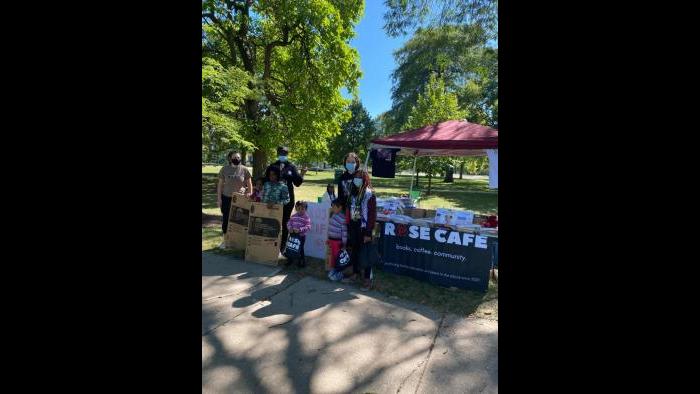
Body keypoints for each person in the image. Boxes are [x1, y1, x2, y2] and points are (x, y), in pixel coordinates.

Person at [266, 146, 307, 253]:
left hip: (287, 200)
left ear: (287, 154)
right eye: (280, 153)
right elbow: (266, 180)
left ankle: (282, 247)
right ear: (277, 153)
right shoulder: (272, 166)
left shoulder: (291, 167)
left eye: (284, 153)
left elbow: (297, 183)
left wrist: (302, 174)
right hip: (273, 199)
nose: (282, 155)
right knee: (272, 221)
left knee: (285, 223)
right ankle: (269, 244)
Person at [344, 169, 377, 290]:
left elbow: (372, 215)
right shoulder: (352, 193)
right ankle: (355, 274)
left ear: (365, 179)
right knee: (355, 252)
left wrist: (368, 232)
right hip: (353, 226)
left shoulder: (369, 194)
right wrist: (348, 226)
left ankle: (367, 279)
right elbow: (348, 210)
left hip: (364, 228)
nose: (357, 179)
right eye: (355, 177)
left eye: (360, 177)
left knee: (366, 254)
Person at [217, 151, 252, 248]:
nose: (236, 159)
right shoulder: (224, 169)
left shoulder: (244, 169)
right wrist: (219, 199)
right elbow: (220, 185)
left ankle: (239, 241)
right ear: (230, 158)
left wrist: (248, 192)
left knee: (240, 220)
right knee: (226, 219)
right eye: (234, 157)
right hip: (226, 198)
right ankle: (225, 241)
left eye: (238, 157)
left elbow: (249, 184)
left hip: (240, 199)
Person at [286, 201, 312, 267]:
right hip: (292, 235)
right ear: (296, 208)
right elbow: (289, 223)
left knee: (300, 249)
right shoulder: (293, 216)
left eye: (302, 209)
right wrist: (290, 228)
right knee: (291, 247)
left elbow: (308, 226)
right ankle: (290, 260)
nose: (300, 210)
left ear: (306, 209)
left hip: (301, 236)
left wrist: (300, 230)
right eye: (299, 208)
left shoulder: (306, 217)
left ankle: (301, 261)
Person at [326, 198, 347, 271]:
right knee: (332, 257)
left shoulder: (343, 218)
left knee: (337, 257)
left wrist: (344, 244)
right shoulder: (333, 215)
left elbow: (344, 233)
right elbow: (330, 228)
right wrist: (328, 238)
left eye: (334, 207)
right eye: (332, 207)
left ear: (340, 207)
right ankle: (333, 269)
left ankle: (338, 270)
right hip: (331, 241)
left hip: (338, 242)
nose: (332, 208)